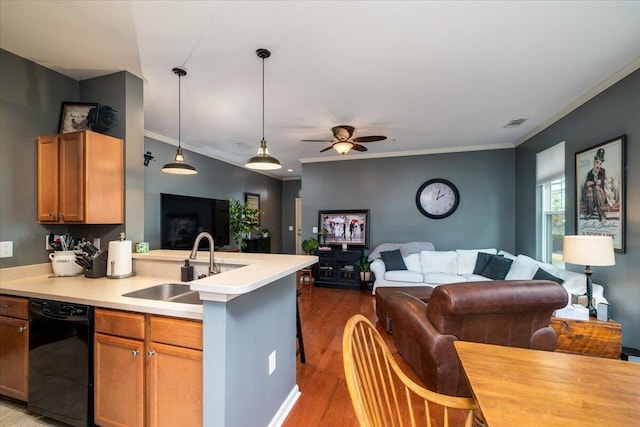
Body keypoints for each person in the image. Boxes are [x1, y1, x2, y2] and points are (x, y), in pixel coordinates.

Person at [583, 148, 607, 221]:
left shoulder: (602, 171)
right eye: (597, 162)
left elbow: (599, 182)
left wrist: (592, 183)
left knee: (596, 188)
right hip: (591, 197)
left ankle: (601, 214)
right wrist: (592, 183)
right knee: (589, 189)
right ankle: (590, 212)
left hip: (600, 195)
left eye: (600, 163)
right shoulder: (590, 173)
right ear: (594, 162)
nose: (598, 165)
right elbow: (587, 184)